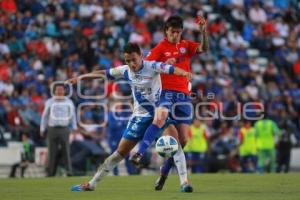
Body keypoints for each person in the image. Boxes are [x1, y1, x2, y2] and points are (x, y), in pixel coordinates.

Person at [67, 42, 191, 191]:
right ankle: (91, 184)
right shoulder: (125, 70)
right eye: (128, 60)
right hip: (139, 116)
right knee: (119, 153)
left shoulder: (152, 66)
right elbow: (102, 73)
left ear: (141, 56)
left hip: (158, 113)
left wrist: (183, 73)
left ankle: (184, 183)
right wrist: (81, 77)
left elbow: (170, 69)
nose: (131, 64)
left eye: (134, 59)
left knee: (174, 144)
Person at [130, 15, 209, 191]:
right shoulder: (159, 48)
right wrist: (165, 63)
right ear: (166, 31)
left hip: (184, 97)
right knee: (160, 118)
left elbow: (204, 48)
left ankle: (164, 172)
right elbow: (147, 68)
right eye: (173, 32)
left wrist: (204, 32)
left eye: (179, 32)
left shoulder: (186, 45)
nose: (176, 35)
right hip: (165, 93)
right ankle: (140, 152)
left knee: (183, 141)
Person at [40, 83, 77, 176]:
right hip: (52, 128)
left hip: (64, 128)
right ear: (54, 91)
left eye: (61, 89)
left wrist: (74, 127)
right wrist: (42, 128)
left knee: (66, 151)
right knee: (52, 152)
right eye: (58, 90)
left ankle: (69, 171)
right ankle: (50, 173)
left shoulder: (69, 102)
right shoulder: (49, 102)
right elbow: (44, 116)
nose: (59, 91)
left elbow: (73, 116)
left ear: (64, 91)